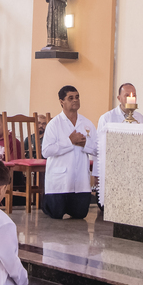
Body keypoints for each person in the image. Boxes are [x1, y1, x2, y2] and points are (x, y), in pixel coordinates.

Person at [41, 85, 96, 219]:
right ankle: (46, 202)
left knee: (80, 214)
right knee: (56, 213)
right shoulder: (54, 124)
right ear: (61, 102)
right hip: (60, 181)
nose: (75, 100)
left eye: (77, 97)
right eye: (70, 98)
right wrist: (69, 141)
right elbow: (46, 151)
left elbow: (96, 148)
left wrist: (84, 143)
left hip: (80, 181)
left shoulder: (87, 123)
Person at [94, 84, 143, 209]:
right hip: (112, 168)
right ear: (119, 98)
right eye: (126, 95)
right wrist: (96, 174)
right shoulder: (107, 118)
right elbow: (98, 148)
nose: (130, 97)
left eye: (133, 95)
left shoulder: (140, 118)